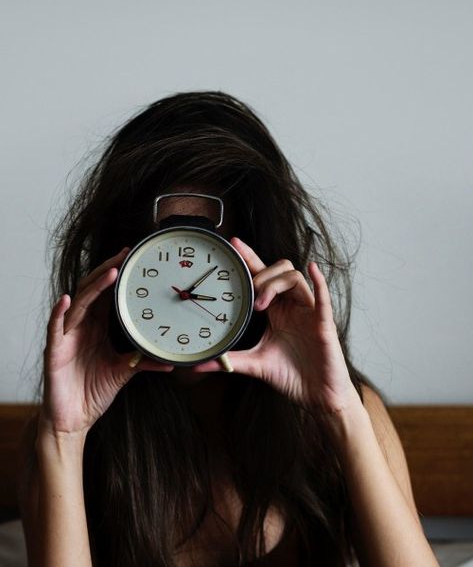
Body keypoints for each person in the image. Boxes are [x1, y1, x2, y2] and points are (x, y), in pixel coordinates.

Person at [17, 90, 440, 567]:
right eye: (165, 257)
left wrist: (341, 412)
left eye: (215, 266)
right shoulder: (67, 434)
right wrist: (64, 437)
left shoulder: (343, 414)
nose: (187, 297)